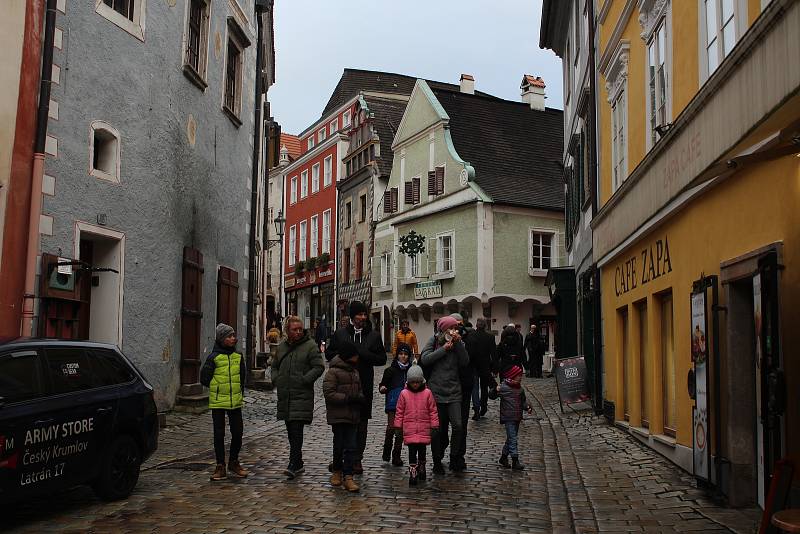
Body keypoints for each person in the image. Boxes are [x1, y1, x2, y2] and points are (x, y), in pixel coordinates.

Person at [326, 300, 387, 474]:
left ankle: (356, 459)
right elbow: (330, 353)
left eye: (364, 314)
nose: (362, 317)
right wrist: (345, 354)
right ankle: (341, 459)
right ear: (352, 317)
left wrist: (361, 353)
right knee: (343, 424)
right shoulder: (341, 334)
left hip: (364, 385)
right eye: (359, 315)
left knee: (361, 425)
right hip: (343, 386)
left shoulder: (373, 336)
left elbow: (381, 358)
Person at [273, 315, 325, 479]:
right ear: (287, 331)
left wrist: (305, 379)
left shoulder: (310, 346)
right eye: (294, 329)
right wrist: (276, 379)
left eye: (300, 329)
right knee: (290, 429)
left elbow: (319, 367)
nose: (298, 332)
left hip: (301, 394)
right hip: (285, 394)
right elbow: (274, 366)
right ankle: (299, 461)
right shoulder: (281, 347)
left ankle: (293, 463)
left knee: (296, 429)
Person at [420, 315, 469, 474]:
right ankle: (437, 460)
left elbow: (465, 362)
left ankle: (454, 457)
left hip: (454, 391)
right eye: (450, 328)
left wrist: (458, 345)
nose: (453, 331)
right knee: (438, 430)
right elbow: (425, 359)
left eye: (455, 328)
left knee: (458, 426)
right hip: (437, 392)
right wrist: (443, 349)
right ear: (443, 329)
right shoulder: (433, 341)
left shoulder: (458, 342)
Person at [200, 323, 248, 481]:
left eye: (233, 335)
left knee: (238, 433)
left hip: (235, 401)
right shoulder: (213, 358)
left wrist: (238, 391)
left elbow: (242, 377)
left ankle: (233, 462)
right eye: (229, 336)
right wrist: (218, 387)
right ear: (221, 339)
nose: (233, 338)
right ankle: (220, 465)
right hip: (218, 401)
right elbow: (204, 379)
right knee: (219, 434)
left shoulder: (238, 357)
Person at [323, 339, 363, 492]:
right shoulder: (333, 372)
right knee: (339, 445)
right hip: (338, 415)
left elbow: (359, 389)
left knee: (351, 446)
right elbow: (329, 393)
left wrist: (359, 398)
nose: (357, 358)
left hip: (353, 415)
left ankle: (348, 476)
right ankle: (337, 471)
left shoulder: (355, 371)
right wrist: (347, 398)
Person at [394, 364, 439, 486]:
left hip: (423, 428)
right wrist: (398, 427)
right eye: (412, 382)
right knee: (412, 451)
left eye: (417, 382)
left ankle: (422, 465)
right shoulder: (404, 394)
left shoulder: (427, 393)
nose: (415, 384)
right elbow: (399, 411)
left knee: (422, 450)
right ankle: (413, 470)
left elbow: (433, 411)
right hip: (410, 429)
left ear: (421, 381)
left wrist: (434, 425)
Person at [492, 365, 532, 470]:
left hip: (517, 417)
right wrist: (495, 390)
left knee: (510, 438)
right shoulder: (504, 387)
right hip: (508, 417)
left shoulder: (520, 389)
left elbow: (523, 401)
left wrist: (527, 407)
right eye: (519, 375)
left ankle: (503, 457)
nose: (521, 377)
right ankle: (515, 460)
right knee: (513, 439)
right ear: (513, 376)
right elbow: (491, 395)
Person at [379, 343, 412, 466]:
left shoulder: (411, 370)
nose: (403, 357)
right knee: (391, 428)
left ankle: (396, 455)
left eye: (405, 354)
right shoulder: (391, 370)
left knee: (400, 431)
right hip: (393, 403)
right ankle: (386, 451)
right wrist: (382, 388)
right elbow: (383, 384)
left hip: (407, 404)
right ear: (397, 355)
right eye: (401, 354)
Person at [465, 318, 497, 420]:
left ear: (476, 325)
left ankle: (477, 410)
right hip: (485, 366)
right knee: (484, 388)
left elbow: (468, 353)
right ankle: (484, 407)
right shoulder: (490, 337)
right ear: (485, 326)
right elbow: (494, 354)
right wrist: (495, 369)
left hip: (473, 366)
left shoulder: (471, 336)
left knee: (474, 389)